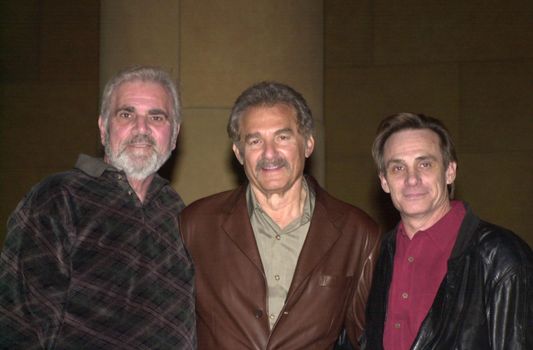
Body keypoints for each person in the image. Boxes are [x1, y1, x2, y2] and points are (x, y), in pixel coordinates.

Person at [0, 66, 196, 349]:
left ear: (174, 134)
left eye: (156, 117)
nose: (141, 129)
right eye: (126, 114)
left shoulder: (178, 213)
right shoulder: (59, 197)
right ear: (104, 128)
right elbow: (19, 323)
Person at [179, 81, 380, 349]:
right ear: (239, 153)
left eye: (282, 137)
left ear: (308, 144)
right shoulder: (196, 225)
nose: (269, 153)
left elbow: (364, 339)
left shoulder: (357, 233)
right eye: (255, 141)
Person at [362, 112, 533, 349]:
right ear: (384, 181)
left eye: (425, 164)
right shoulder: (375, 255)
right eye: (398, 168)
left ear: (450, 171)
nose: (412, 179)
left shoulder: (502, 257)